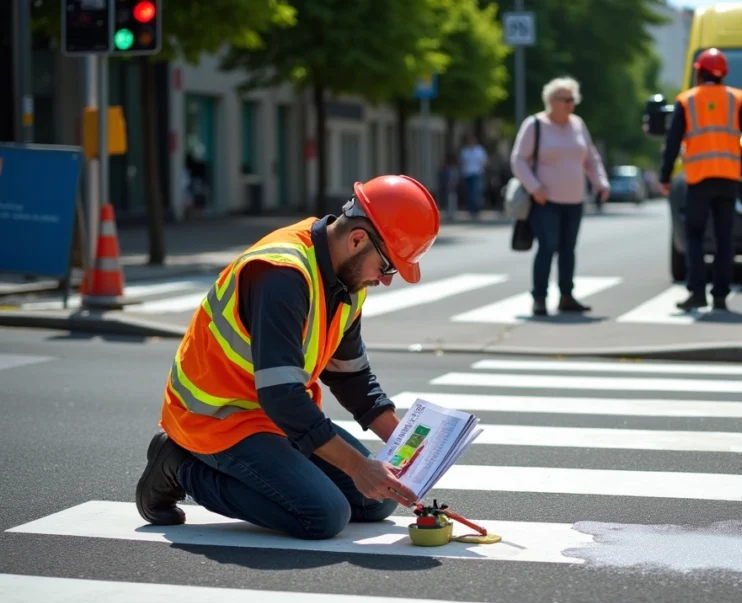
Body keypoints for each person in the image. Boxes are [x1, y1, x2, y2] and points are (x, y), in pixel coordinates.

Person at [135, 174, 440, 540]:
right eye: (388, 266)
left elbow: (350, 377)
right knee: (323, 515)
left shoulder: (348, 278)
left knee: (378, 500)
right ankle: (179, 464)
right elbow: (282, 395)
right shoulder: (283, 274)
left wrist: (410, 448)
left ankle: (254, 465)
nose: (386, 280)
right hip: (217, 418)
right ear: (358, 239)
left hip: (276, 416)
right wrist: (360, 467)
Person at [658, 48, 742, 312]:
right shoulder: (736, 98)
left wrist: (665, 175)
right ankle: (720, 296)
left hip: (699, 178)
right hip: (728, 178)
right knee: (724, 238)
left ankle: (697, 292)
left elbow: (672, 142)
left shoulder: (687, 100)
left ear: (698, 71)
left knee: (694, 235)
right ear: (723, 74)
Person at [509, 76, 610, 317]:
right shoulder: (534, 125)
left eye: (573, 99)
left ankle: (567, 296)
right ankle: (540, 298)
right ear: (550, 101)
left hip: (575, 200)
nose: (570, 104)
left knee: (568, 249)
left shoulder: (578, 124)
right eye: (565, 99)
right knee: (548, 247)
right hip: (546, 201)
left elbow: (591, 158)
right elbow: (518, 160)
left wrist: (600, 182)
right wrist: (535, 188)